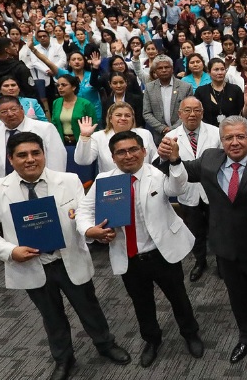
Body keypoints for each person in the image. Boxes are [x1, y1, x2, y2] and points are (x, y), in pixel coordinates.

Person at [0, 132, 131, 380]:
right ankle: (63, 359)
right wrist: (10, 251)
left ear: (44, 154)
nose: (30, 159)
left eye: (36, 153)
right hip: (31, 264)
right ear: (10, 159)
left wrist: (94, 233)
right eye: (22, 155)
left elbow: (84, 217)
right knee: (52, 317)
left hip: (70, 259)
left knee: (89, 308)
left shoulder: (68, 180)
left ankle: (105, 344)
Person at [161, 115, 247, 367]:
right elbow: (183, 173)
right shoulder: (210, 158)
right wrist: (174, 157)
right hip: (225, 249)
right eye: (228, 137)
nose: (234, 142)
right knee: (238, 299)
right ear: (221, 140)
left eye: (240, 136)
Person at [77, 130, 204, 368]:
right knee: (142, 303)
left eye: (133, 149)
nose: (128, 155)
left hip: (161, 252)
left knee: (179, 298)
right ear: (113, 157)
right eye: (121, 152)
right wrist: (89, 230)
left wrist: (175, 161)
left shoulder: (156, 174)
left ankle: (190, 333)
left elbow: (177, 187)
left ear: (144, 152)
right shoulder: (104, 181)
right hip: (129, 255)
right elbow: (84, 213)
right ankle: (152, 340)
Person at [157, 97, 221, 281]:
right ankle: (200, 262)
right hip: (187, 193)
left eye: (196, 110)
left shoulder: (216, 133)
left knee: (217, 229)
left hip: (213, 191)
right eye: (187, 110)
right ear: (180, 114)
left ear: (202, 112)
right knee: (195, 231)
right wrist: (163, 157)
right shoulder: (170, 137)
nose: (192, 114)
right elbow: (162, 166)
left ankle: (222, 262)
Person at [75, 102, 157, 173]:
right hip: (112, 183)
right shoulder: (98, 136)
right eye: (118, 115)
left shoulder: (145, 134)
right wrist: (84, 137)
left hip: (143, 180)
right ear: (110, 119)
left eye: (127, 115)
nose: (123, 118)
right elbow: (83, 161)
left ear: (132, 118)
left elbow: (155, 161)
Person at [143, 54, 194, 143]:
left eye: (167, 67)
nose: (164, 70)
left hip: (182, 134)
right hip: (159, 136)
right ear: (155, 71)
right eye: (160, 68)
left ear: (172, 69)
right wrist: (162, 128)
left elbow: (189, 111)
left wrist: (173, 129)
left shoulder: (185, 87)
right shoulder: (149, 88)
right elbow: (147, 113)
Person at [193, 58, 245, 126]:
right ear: (209, 72)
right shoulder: (201, 91)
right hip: (208, 130)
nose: (220, 72)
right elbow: (197, 113)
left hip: (232, 128)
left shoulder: (235, 89)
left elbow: (242, 113)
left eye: (222, 69)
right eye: (216, 70)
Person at [50, 74, 97, 145]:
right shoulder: (56, 102)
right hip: (62, 143)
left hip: (81, 142)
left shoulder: (85, 104)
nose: (60, 88)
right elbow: (55, 123)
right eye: (58, 85)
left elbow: (93, 125)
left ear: (73, 87)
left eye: (64, 85)